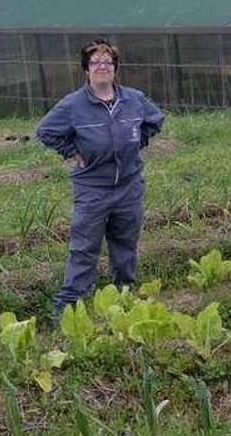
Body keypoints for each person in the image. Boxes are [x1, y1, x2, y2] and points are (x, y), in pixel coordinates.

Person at [37, 39, 165, 315]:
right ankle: (69, 310)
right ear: (86, 70)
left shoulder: (133, 99)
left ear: (115, 69)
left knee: (125, 247)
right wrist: (72, 151)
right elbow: (45, 131)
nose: (102, 67)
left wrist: (137, 142)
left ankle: (124, 299)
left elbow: (155, 120)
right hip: (92, 189)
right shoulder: (73, 105)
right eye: (95, 62)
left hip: (129, 187)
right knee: (84, 250)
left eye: (107, 62)